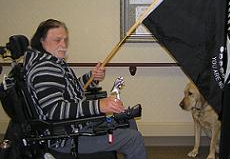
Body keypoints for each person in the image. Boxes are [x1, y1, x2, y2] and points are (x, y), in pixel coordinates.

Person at [23, 19, 147, 158]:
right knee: (133, 139)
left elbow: (71, 91)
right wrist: (98, 106)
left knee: (127, 119)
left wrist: (91, 78)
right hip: (65, 138)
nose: (63, 45)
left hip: (76, 125)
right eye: (57, 40)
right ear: (42, 41)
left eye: (65, 40)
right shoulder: (45, 69)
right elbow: (55, 110)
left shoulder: (52, 62)